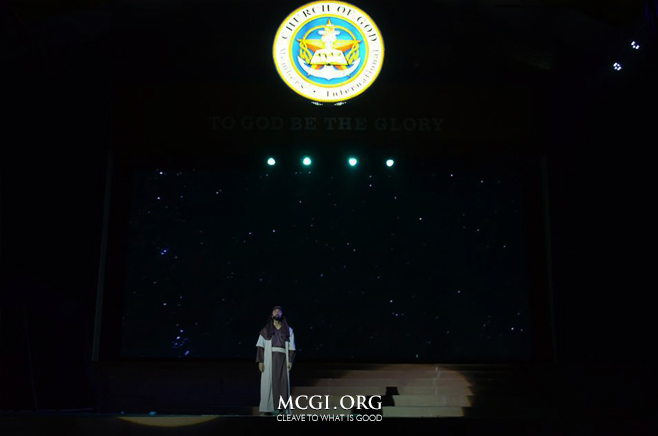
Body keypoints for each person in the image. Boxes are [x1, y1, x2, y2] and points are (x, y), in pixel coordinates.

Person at [256, 306, 296, 415]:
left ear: (282, 314)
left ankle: (282, 408)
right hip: (270, 358)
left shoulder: (288, 330)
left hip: (283, 358)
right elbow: (260, 346)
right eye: (275, 311)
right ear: (272, 315)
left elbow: (292, 347)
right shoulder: (266, 330)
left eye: (279, 311)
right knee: (268, 383)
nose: (277, 313)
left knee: (282, 383)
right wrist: (260, 361)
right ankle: (267, 408)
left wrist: (290, 360)